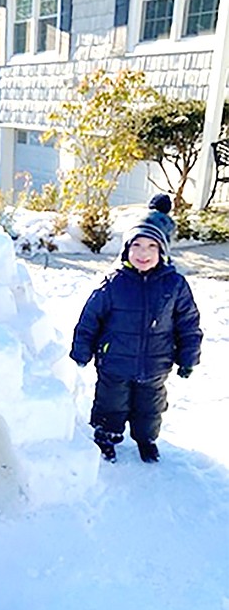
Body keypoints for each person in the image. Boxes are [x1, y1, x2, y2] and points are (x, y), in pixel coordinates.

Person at [70, 193, 202, 463]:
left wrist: (188, 358)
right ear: (126, 249)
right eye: (137, 245)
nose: (143, 253)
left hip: (156, 364)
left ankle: (146, 440)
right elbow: (90, 319)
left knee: (150, 408)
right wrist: (82, 350)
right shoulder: (114, 283)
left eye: (151, 247)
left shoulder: (174, 285)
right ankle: (107, 436)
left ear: (162, 251)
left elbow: (188, 324)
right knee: (111, 403)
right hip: (115, 361)